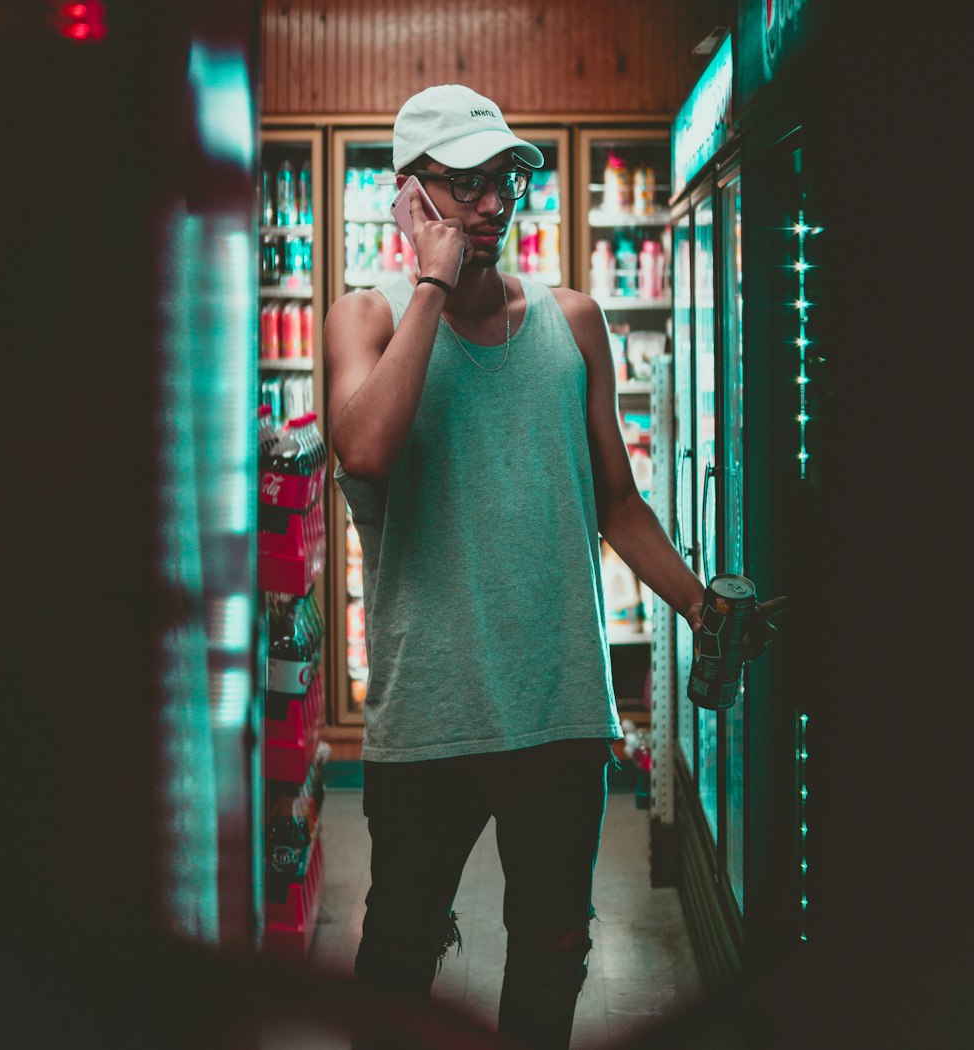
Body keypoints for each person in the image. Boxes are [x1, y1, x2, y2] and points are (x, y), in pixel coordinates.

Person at [324, 84, 775, 1050]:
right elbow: (363, 452)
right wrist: (432, 287)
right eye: (467, 184)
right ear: (415, 197)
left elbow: (617, 503)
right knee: (400, 951)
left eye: (506, 181)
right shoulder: (365, 319)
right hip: (429, 709)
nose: (495, 203)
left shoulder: (573, 323)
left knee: (553, 945)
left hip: (560, 706)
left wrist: (699, 605)